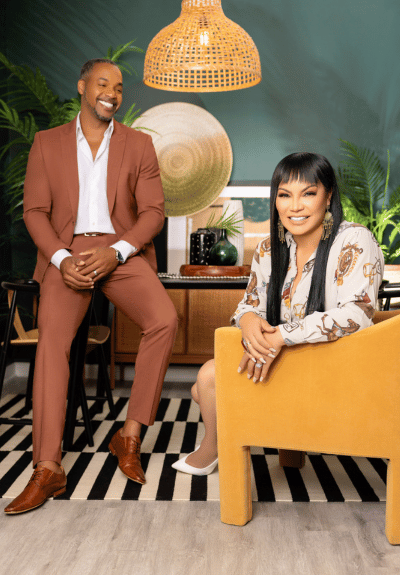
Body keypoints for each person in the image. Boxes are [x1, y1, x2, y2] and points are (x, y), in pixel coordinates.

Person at [5, 58, 178, 514]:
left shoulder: (139, 145)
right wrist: (61, 259)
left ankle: (129, 435)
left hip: (120, 251)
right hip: (67, 252)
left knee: (164, 319)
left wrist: (117, 251)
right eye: (103, 84)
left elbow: (153, 212)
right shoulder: (47, 143)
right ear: (82, 86)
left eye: (119, 87)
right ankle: (48, 467)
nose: (112, 93)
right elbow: (35, 211)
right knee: (51, 346)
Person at [172, 152, 384, 475]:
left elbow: (357, 314)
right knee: (206, 384)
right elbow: (249, 303)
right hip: (288, 357)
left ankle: (213, 446)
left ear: (328, 197)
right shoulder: (270, 249)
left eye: (308, 193)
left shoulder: (354, 240)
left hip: (336, 366)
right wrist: (248, 322)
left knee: (208, 381)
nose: (294, 206)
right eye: (285, 195)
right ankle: (220, 443)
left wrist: (281, 336)